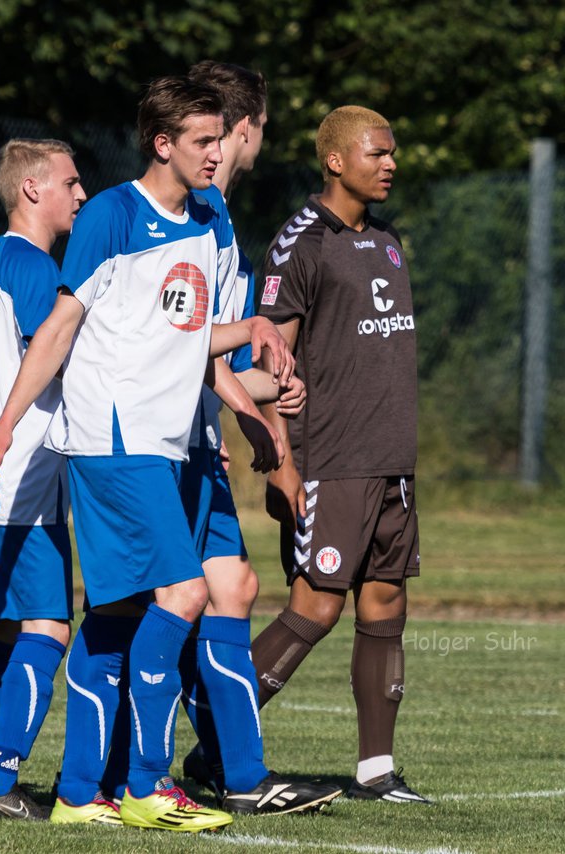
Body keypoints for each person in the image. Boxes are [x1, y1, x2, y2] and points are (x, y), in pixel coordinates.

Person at [0, 75, 294, 832]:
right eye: (203, 140)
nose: (218, 152)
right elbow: (61, 328)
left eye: (220, 138)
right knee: (186, 594)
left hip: (166, 445)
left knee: (113, 616)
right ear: (162, 144)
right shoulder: (110, 214)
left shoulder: (207, 219)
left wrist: (256, 334)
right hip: (113, 441)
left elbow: (184, 336)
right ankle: (145, 782)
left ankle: (79, 793)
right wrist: (8, 423)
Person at [249, 106, 432, 804]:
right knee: (316, 609)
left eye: (393, 152)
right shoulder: (300, 243)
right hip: (330, 459)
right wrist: (281, 462)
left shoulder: (386, 240)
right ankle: (218, 744)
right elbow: (271, 359)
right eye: (377, 153)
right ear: (335, 160)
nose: (390, 163)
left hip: (392, 460)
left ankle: (376, 774)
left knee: (385, 605)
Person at [175, 59, 341, 816]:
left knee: (231, 588)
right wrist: (270, 440)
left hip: (196, 439)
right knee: (162, 605)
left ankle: (234, 772)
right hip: (156, 443)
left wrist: (275, 392)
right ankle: (130, 772)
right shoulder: (191, 213)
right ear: (253, 127)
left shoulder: (216, 217)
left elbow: (223, 357)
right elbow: (183, 347)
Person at [0, 138, 87, 820]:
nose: (81, 195)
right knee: (49, 628)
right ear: (32, 189)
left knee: (4, 629)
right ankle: (1, 786)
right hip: (18, 478)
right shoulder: (33, 267)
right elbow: (53, 357)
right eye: (70, 182)